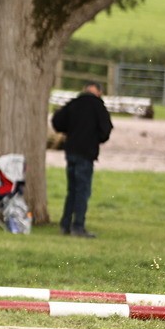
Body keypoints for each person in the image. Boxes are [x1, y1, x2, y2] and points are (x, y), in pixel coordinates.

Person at [51, 81, 113, 238]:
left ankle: (65, 224)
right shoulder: (98, 106)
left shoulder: (74, 103)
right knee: (82, 191)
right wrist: (94, 138)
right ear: (99, 92)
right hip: (86, 153)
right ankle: (78, 226)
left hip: (71, 151)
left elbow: (57, 122)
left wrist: (71, 130)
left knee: (72, 190)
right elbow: (106, 130)